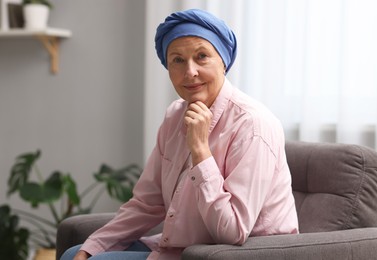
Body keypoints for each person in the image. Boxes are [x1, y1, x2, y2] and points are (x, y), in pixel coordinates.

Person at [61, 8, 299, 260]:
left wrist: (200, 150)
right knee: (74, 255)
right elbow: (146, 204)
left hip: (237, 254)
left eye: (202, 56)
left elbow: (233, 231)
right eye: (177, 60)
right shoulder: (175, 116)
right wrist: (93, 246)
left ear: (224, 61)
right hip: (183, 249)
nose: (190, 72)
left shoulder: (253, 124)